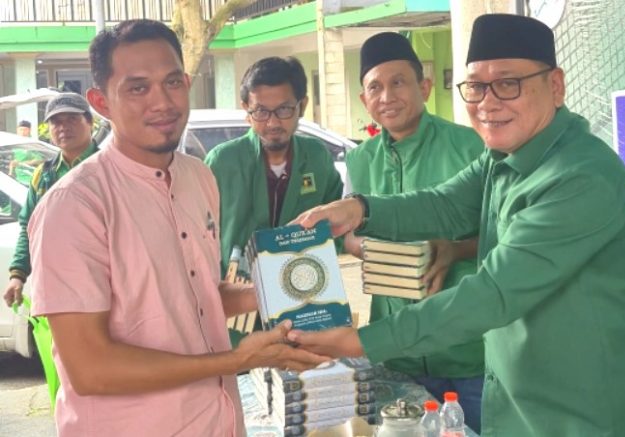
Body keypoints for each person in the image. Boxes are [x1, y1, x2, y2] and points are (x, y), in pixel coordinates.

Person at [288, 14, 625, 436]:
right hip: (521, 404)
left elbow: (492, 294)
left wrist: (362, 341)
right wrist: (359, 209)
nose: (488, 103)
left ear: (556, 86)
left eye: (508, 83)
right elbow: (444, 204)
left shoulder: (581, 176)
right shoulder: (503, 157)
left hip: (594, 414)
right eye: (476, 86)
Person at [27, 19, 327, 436]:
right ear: (101, 102)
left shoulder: (198, 177)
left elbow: (197, 294)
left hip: (218, 421)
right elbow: (90, 369)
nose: (163, 102)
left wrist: (283, 289)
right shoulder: (74, 206)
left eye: (172, 82)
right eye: (138, 88)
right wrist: (238, 360)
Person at [344, 32, 485, 432]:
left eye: (399, 82)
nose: (387, 96)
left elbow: (501, 234)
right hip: (396, 350)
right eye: (375, 87)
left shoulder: (471, 147)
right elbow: (348, 237)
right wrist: (375, 252)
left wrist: (454, 250)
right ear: (364, 100)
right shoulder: (359, 160)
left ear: (424, 87)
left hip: (466, 351)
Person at [204, 56, 343, 277]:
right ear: (246, 109)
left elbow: (337, 227)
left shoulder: (317, 157)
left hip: (302, 286)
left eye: (284, 109)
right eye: (261, 111)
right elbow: (200, 238)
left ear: (302, 106)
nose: (273, 123)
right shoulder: (222, 162)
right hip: (236, 292)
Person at [4, 93, 98, 307]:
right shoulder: (44, 174)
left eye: (72, 119)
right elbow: (29, 226)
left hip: (102, 283)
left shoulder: (111, 168)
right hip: (55, 285)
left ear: (89, 122)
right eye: (56, 122)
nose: (63, 127)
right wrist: (18, 275)